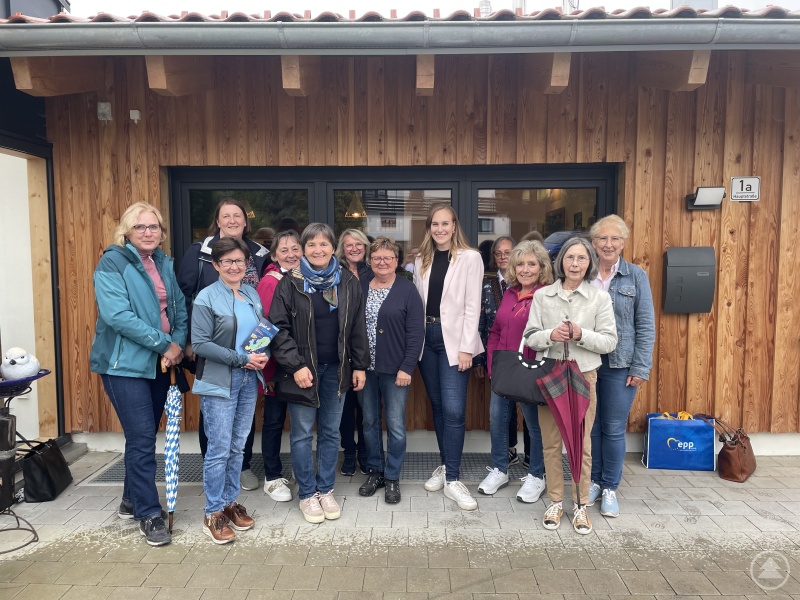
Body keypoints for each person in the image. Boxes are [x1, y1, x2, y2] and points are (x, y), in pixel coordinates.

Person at [90, 202, 187, 547]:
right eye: (140, 227)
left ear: (161, 232)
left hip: (161, 363)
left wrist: (177, 342)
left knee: (142, 436)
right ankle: (148, 513)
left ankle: (131, 499)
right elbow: (118, 316)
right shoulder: (112, 262)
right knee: (144, 436)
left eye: (154, 227)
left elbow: (178, 307)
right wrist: (165, 345)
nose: (148, 233)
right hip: (124, 365)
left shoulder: (163, 262)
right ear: (127, 232)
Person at [269, 223, 369, 524]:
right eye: (311, 245)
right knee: (301, 434)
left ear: (332, 248)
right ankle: (307, 494)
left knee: (329, 432)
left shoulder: (347, 283)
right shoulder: (290, 283)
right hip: (303, 371)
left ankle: (325, 489)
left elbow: (357, 327)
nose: (318, 250)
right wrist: (296, 365)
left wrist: (360, 365)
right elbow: (278, 328)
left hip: (336, 370)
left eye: (324, 244)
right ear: (303, 249)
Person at [523, 237, 617, 535]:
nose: (575, 264)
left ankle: (580, 505)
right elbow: (531, 337)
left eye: (581, 259)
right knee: (550, 442)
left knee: (582, 443)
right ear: (560, 261)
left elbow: (609, 342)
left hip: (584, 375)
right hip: (551, 375)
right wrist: (552, 334)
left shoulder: (599, 298)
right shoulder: (543, 296)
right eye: (570, 258)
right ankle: (554, 501)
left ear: (589, 263)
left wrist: (580, 334)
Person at [177, 198, 271, 492]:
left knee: (239, 437)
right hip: (218, 367)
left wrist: (260, 354)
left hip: (247, 370)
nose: (231, 220)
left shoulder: (254, 278)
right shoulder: (201, 259)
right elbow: (184, 296)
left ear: (245, 222)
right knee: (218, 438)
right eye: (225, 216)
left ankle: (231, 496)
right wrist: (188, 340)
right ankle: (215, 507)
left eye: (237, 216)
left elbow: (261, 324)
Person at [192, 237, 267, 544]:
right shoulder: (206, 297)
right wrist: (242, 359)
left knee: (238, 446)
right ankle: (213, 513)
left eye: (240, 261)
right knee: (219, 449)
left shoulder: (250, 293)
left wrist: (261, 356)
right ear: (216, 265)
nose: (235, 267)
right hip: (220, 381)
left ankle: (229, 502)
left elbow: (260, 332)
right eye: (228, 262)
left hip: (250, 379)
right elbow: (200, 344)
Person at [414, 203, 484, 511]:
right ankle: (445, 466)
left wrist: (467, 346)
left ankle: (454, 479)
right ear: (429, 228)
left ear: (454, 226)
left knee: (455, 410)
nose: (440, 229)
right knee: (440, 406)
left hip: (455, 341)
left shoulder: (471, 258)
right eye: (435, 224)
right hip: (426, 340)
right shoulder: (421, 260)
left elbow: (472, 305)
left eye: (446, 223)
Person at [588, 215, 655, 518]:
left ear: (624, 243)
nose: (608, 244)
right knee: (591, 426)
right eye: (603, 238)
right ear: (594, 242)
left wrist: (640, 367)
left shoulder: (635, 276)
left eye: (615, 239)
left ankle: (610, 487)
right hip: (586, 361)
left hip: (620, 363)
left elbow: (645, 325)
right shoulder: (584, 273)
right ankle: (593, 482)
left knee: (613, 428)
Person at [478, 241, 551, 504]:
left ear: (541, 267)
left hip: (532, 371)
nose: (525, 269)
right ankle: (499, 470)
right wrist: (492, 364)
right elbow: (496, 330)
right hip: (505, 369)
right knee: (497, 420)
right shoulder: (510, 293)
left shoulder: (547, 295)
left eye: (532, 264)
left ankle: (537, 475)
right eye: (520, 264)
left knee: (534, 425)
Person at [356, 237, 424, 503]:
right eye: (377, 258)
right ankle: (376, 471)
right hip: (365, 369)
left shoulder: (407, 290)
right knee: (369, 421)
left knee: (395, 425)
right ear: (370, 261)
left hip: (396, 370)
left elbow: (416, 332)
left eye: (388, 258)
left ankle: (393, 476)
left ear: (396, 261)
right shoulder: (361, 286)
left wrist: (407, 367)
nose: (382, 262)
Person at [474, 235, 531, 468]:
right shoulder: (486, 286)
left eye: (508, 253)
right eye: (498, 253)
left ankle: (531, 455)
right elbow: (479, 323)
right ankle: (508, 451)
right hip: (496, 355)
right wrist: (479, 359)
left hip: (527, 355)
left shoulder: (526, 285)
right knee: (502, 409)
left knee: (529, 407)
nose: (503, 257)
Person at [255, 230, 302, 502]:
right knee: (273, 421)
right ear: (274, 256)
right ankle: (272, 477)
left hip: (301, 364)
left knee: (300, 421)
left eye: (295, 248)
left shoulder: (308, 278)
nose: (291, 254)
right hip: (277, 366)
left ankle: (299, 470)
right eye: (284, 250)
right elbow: (263, 327)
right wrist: (267, 371)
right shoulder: (269, 282)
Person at [334, 228, 371, 476]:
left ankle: (366, 453)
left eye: (359, 244)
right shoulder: (335, 273)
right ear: (342, 248)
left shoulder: (374, 272)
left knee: (367, 408)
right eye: (349, 245)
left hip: (372, 349)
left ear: (366, 247)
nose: (354, 248)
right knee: (345, 407)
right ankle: (348, 452)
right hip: (342, 348)